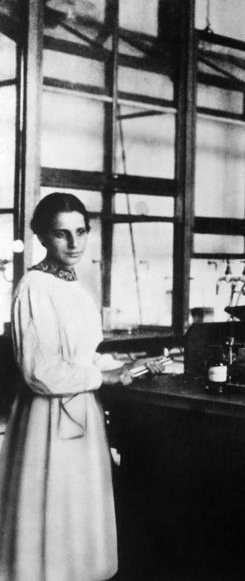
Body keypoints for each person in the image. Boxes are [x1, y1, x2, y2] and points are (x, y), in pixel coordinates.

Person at [0, 192, 133, 581]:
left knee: (79, 526)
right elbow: (39, 371)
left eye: (81, 232)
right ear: (42, 236)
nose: (74, 243)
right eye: (61, 234)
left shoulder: (76, 286)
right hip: (46, 422)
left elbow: (80, 354)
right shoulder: (33, 287)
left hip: (81, 416)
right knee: (49, 530)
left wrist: (119, 366)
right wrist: (101, 376)